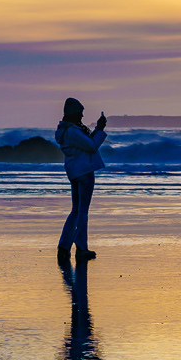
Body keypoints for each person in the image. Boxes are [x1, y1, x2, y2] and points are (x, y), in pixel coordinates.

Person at [55, 97, 107, 262]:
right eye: (80, 113)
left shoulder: (66, 130)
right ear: (74, 113)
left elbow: (86, 144)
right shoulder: (72, 131)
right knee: (82, 211)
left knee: (76, 210)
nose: (82, 117)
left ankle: (65, 246)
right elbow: (91, 146)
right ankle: (81, 248)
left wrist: (97, 131)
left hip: (75, 171)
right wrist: (99, 129)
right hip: (84, 172)